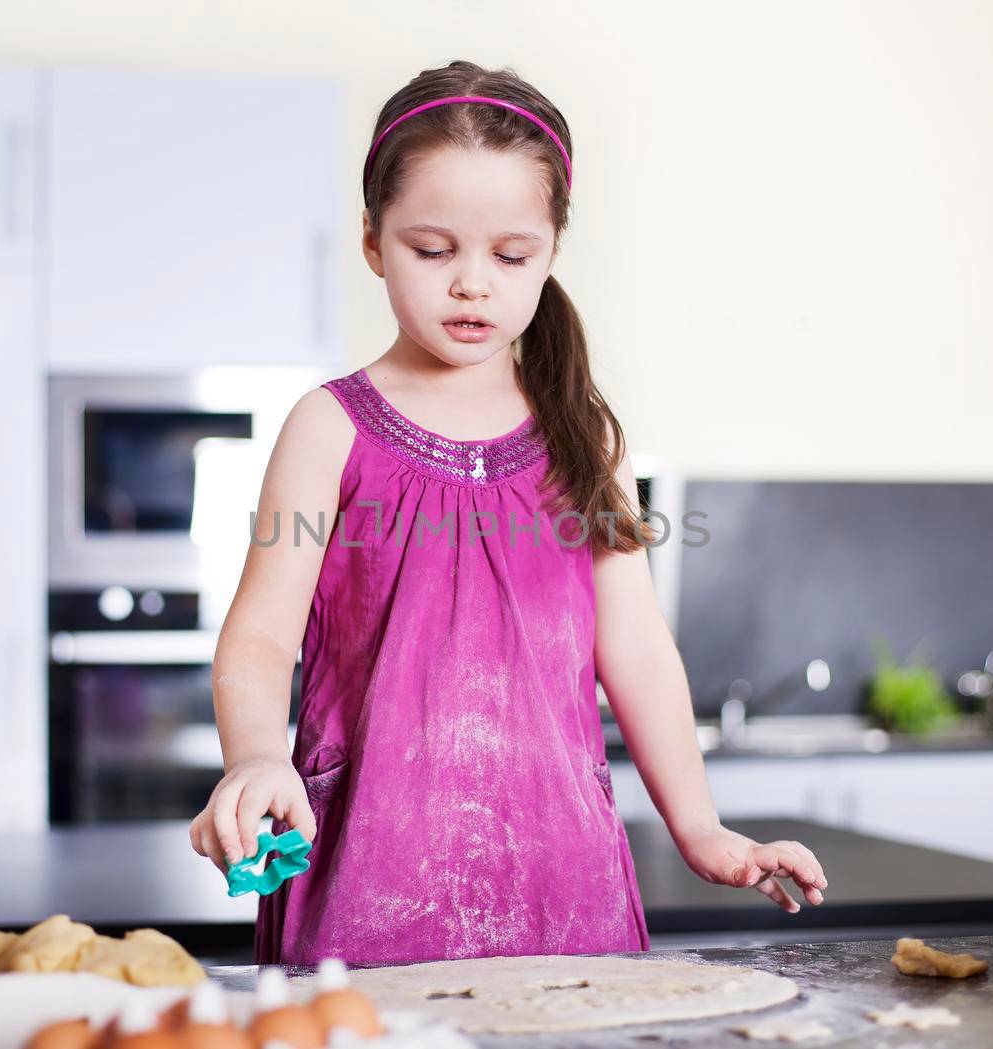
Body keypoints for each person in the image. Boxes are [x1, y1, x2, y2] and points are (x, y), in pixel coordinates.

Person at [189, 59, 827, 965]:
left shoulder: (583, 436)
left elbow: (638, 649)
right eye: (432, 248)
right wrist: (256, 757)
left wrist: (702, 828)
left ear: (551, 251)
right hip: (368, 885)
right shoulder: (328, 428)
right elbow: (257, 639)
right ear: (373, 243)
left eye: (510, 255)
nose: (472, 284)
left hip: (563, 886)